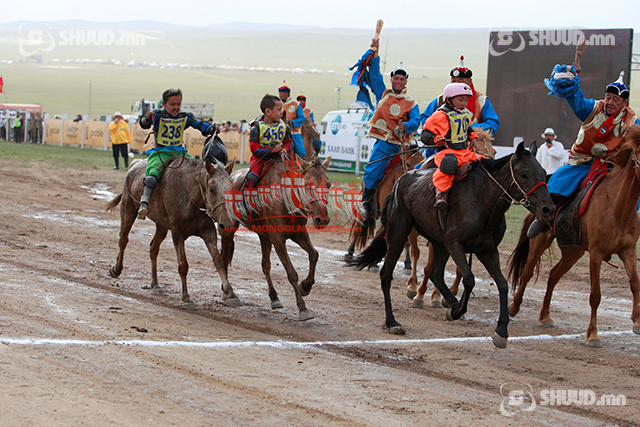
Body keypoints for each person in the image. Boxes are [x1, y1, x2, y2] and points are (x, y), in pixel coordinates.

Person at [527, 69, 640, 238]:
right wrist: (571, 84)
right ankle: (543, 218)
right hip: (584, 161)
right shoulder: (594, 108)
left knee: (629, 192)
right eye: (608, 97)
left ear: (624, 103)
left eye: (615, 100)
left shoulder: (631, 121)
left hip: (613, 166)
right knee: (559, 181)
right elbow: (577, 102)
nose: (609, 102)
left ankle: (621, 232)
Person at [358, 37, 421, 219]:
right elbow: (375, 74)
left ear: (405, 82)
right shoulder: (383, 94)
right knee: (373, 169)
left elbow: (416, 120)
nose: (398, 81)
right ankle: (366, 202)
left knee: (421, 167)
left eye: (402, 79)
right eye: (396, 78)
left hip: (403, 146)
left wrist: (406, 125)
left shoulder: (411, 102)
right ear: (392, 79)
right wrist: (375, 51)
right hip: (385, 143)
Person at [137, 88, 217, 220]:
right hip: (161, 152)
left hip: (180, 153)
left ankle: (206, 206)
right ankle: (144, 203)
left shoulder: (185, 117)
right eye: (172, 104)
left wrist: (210, 128)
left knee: (197, 174)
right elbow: (144, 124)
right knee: (152, 176)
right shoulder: (157, 115)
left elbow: (199, 125)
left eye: (178, 104)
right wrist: (146, 118)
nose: (176, 107)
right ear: (163, 104)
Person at [422, 83, 479, 210]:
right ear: (449, 99)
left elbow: (467, 128)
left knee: (484, 161)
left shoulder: (465, 114)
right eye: (460, 100)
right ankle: (441, 194)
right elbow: (425, 135)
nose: (464, 103)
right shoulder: (440, 115)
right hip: (447, 153)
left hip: (465, 152)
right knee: (449, 163)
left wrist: (473, 137)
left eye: (466, 100)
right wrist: (436, 140)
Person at [420, 56, 499, 135]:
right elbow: (425, 117)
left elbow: (492, 122)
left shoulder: (481, 101)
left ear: (469, 81)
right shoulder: (441, 99)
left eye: (460, 81)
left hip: (473, 139)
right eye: (453, 81)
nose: (456, 84)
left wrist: (468, 129)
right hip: (443, 139)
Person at [246, 94, 293, 189]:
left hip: (280, 159)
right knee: (252, 178)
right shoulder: (256, 128)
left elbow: (289, 142)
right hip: (260, 160)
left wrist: (285, 149)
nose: (282, 112)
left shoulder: (285, 127)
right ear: (268, 111)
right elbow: (254, 148)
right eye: (279, 109)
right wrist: (271, 150)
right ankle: (246, 199)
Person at [278, 82, 306, 158]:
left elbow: (302, 119)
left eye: (281, 93)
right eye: (279, 93)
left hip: (294, 132)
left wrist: (292, 122)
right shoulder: (278, 105)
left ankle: (302, 164)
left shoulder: (296, 104)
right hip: (279, 131)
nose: (280, 95)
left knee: (300, 150)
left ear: (287, 93)